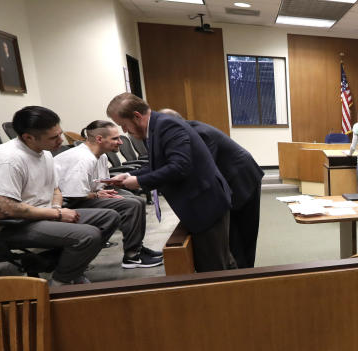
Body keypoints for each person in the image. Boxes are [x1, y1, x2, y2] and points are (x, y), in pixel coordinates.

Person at [0, 106, 120, 286]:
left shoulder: (45, 154)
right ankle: (59, 284)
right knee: (88, 235)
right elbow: (4, 208)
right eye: (54, 137)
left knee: (109, 217)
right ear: (28, 137)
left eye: (59, 133)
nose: (61, 140)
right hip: (6, 227)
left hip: (39, 216)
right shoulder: (7, 159)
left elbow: (55, 190)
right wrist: (56, 215)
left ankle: (66, 268)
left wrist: (57, 209)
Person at [105, 93, 235, 273]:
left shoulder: (167, 126)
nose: (125, 131)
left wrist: (140, 181)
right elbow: (159, 165)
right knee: (219, 259)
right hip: (200, 202)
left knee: (213, 266)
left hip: (206, 204)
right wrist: (129, 174)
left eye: (124, 125)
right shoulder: (157, 127)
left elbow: (180, 167)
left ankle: (226, 299)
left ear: (136, 116)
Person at [159, 109, 264, 269]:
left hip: (241, 180)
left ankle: (245, 276)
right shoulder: (189, 132)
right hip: (230, 181)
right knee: (233, 236)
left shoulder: (198, 134)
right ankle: (240, 274)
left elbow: (203, 172)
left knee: (242, 234)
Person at [53, 120, 162, 269]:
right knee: (132, 204)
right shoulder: (83, 158)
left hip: (86, 194)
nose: (120, 142)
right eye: (115, 138)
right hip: (70, 201)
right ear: (99, 139)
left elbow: (97, 183)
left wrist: (110, 184)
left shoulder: (101, 155)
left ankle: (136, 248)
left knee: (137, 200)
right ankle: (132, 256)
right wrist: (97, 194)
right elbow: (76, 194)